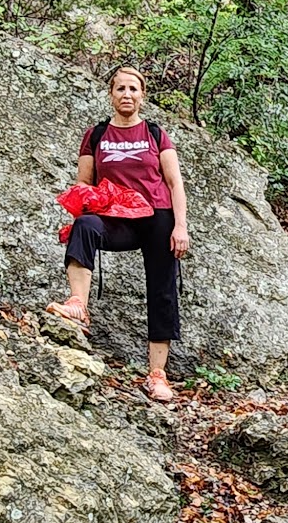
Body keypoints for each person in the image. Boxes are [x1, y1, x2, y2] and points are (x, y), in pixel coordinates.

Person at [47, 65, 189, 403]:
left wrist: (180, 225)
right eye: (120, 89)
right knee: (84, 226)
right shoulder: (97, 135)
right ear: (111, 94)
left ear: (142, 95)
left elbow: (174, 182)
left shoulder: (155, 133)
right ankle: (78, 305)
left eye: (133, 89)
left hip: (157, 215)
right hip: (115, 218)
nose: (127, 95)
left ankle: (157, 375)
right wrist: (86, 200)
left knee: (162, 288)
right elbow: (84, 181)